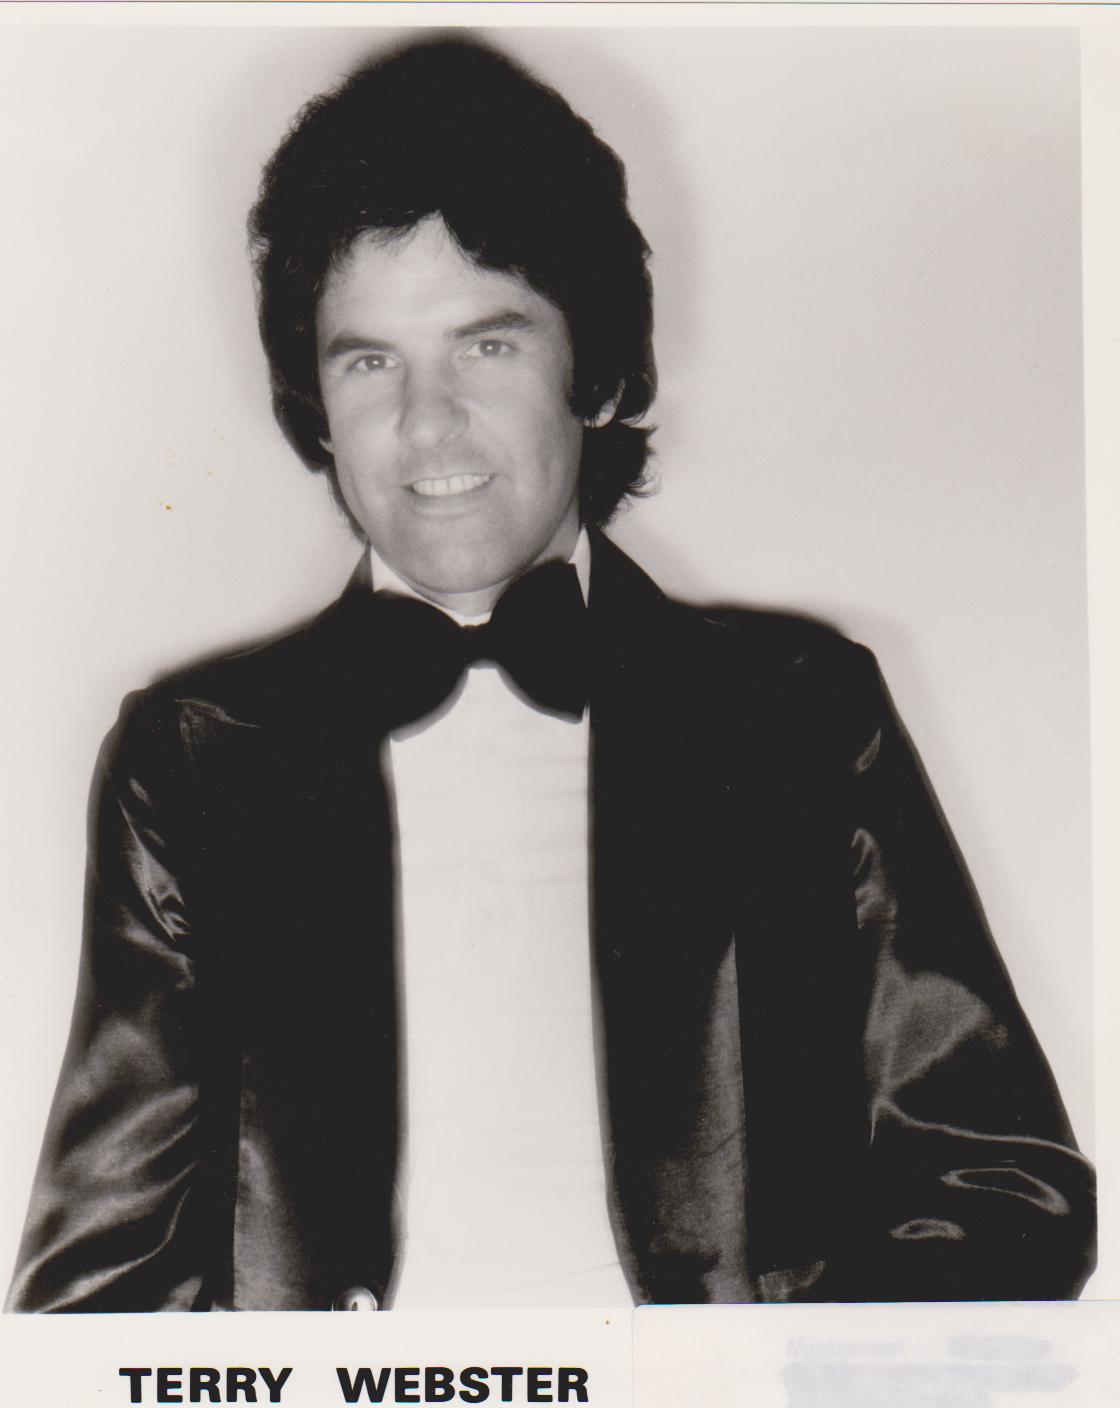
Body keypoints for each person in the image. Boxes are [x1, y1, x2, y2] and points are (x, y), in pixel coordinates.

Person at [7, 35, 1095, 1313]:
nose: (425, 424)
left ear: (595, 367)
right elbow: (97, 1299)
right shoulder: (193, 759)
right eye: (369, 359)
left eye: (488, 346)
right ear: (315, 402)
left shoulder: (800, 713)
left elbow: (1003, 1189)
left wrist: (765, 1387)